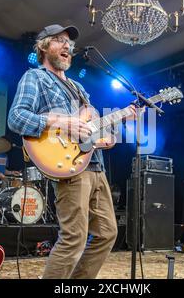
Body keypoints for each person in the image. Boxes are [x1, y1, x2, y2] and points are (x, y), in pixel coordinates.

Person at [8, 24, 135, 279]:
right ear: (44, 47)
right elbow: (16, 117)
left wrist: (104, 138)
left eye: (69, 43)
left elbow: (86, 130)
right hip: (69, 167)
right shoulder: (36, 77)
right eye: (59, 40)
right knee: (74, 238)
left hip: (95, 166)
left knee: (108, 233)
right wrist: (58, 121)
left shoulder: (79, 88)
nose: (67, 46)